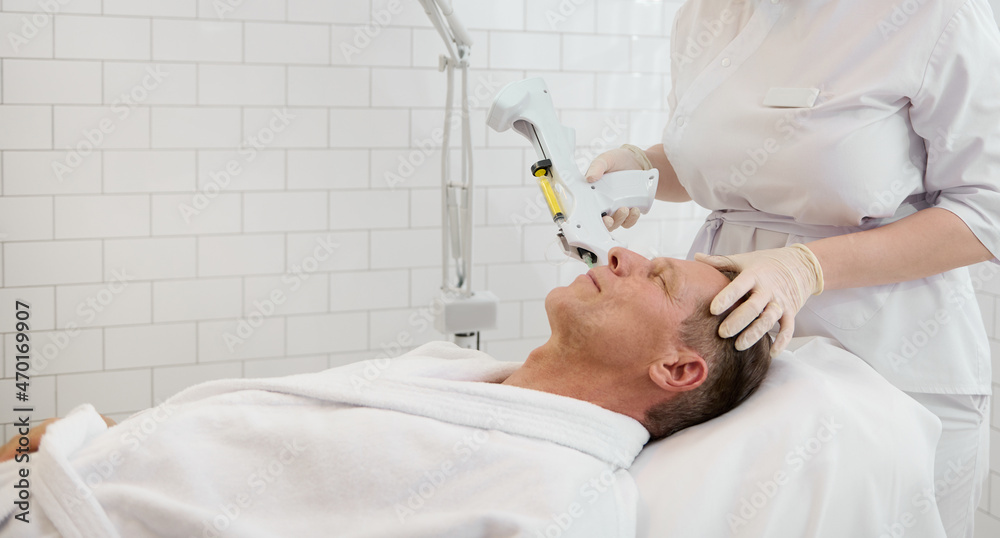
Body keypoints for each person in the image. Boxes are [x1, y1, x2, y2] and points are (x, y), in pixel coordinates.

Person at [0, 249, 771, 537]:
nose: (624, 252)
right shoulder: (451, 372)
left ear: (678, 369)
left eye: (658, 278)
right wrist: (102, 441)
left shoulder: (564, 505)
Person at [585, 1, 1000, 536]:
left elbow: (987, 211)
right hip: (734, 344)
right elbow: (737, 163)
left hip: (891, 351)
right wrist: (640, 168)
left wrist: (805, 268)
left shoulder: (935, 15)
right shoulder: (705, 15)